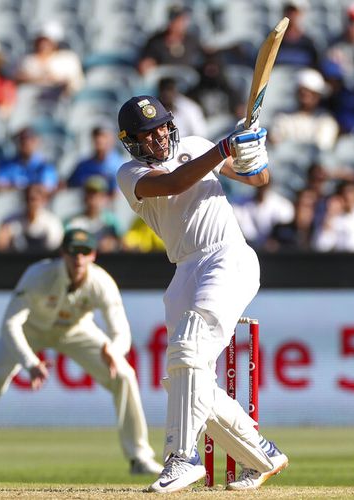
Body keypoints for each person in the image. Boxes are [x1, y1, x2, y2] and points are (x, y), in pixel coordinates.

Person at [116, 95, 288, 492]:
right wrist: (223, 147)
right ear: (132, 141)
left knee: (189, 350)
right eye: (147, 133)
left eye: (161, 126)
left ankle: (182, 458)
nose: (159, 136)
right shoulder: (129, 174)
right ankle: (262, 454)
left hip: (227, 256)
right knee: (184, 377)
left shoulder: (194, 145)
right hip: (185, 269)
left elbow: (258, 180)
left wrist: (251, 156)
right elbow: (175, 182)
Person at [0, 228, 163, 478]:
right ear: (62, 254)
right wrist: (30, 362)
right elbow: (10, 324)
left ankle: (139, 457)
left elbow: (121, 330)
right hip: (30, 330)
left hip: (76, 330)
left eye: (84, 252)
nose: (78, 259)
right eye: (72, 252)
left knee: (124, 374)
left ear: (93, 255)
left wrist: (114, 350)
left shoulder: (102, 282)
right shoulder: (39, 275)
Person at [15, 20, 84, 97]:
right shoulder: (27, 61)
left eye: (47, 41)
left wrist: (58, 81)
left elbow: (76, 83)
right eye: (40, 41)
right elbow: (18, 80)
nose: (43, 45)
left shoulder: (68, 59)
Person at [0, 183, 64, 252]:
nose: (31, 203)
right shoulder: (11, 219)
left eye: (34, 199)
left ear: (44, 200)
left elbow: (56, 248)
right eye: (28, 198)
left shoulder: (52, 221)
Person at [137, 4, 204, 76]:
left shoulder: (191, 40)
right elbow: (145, 63)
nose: (178, 24)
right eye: (175, 20)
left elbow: (203, 57)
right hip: (163, 78)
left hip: (185, 79)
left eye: (181, 20)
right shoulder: (156, 41)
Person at [65, 176, 123, 253]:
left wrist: (113, 244)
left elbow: (122, 242)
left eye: (98, 195)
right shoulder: (72, 221)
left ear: (104, 198)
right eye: (89, 194)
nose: (93, 199)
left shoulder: (111, 221)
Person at [66, 122, 125, 196]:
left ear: (112, 139)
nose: (99, 139)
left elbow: (118, 194)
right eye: (96, 135)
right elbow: (67, 185)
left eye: (103, 136)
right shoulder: (83, 165)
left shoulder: (120, 165)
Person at [0, 126, 59, 193]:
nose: (26, 143)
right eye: (22, 139)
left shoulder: (46, 167)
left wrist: (14, 186)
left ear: (37, 141)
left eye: (30, 139)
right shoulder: (7, 165)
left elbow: (45, 191)